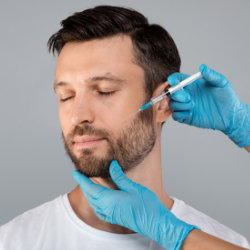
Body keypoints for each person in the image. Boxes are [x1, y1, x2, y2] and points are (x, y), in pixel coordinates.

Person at [0, 5, 249, 250]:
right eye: (66, 96)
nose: (78, 116)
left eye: (104, 91)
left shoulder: (226, 242)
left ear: (162, 104)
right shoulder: (12, 242)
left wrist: (243, 126)